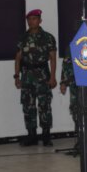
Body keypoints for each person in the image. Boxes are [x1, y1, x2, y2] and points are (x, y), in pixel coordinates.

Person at [14, 9, 57, 146]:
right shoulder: (23, 38)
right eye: (29, 19)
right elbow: (18, 58)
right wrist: (17, 76)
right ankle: (31, 135)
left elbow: (52, 59)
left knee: (45, 106)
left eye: (34, 19)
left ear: (40, 21)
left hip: (42, 75)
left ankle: (46, 135)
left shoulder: (48, 37)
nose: (31, 21)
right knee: (28, 106)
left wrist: (53, 77)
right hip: (27, 76)